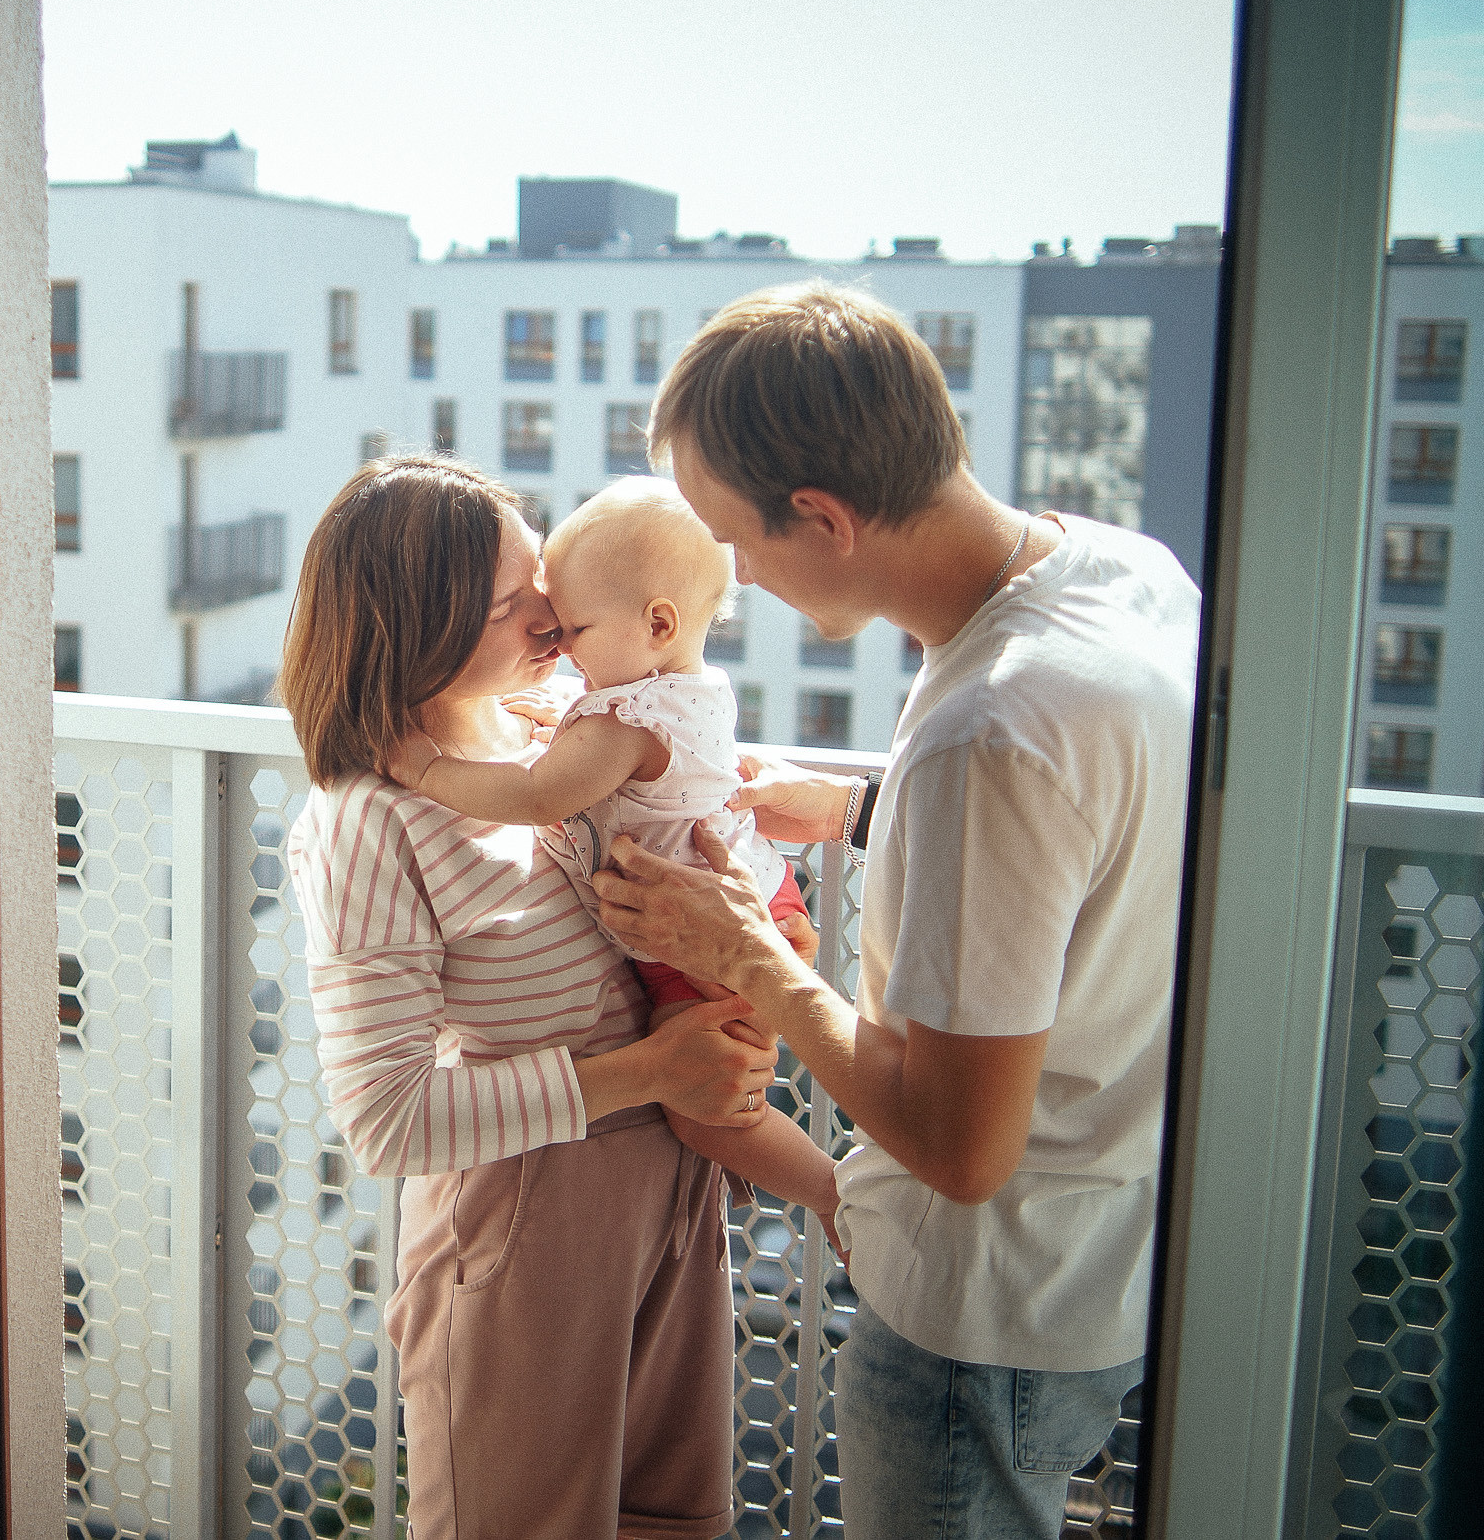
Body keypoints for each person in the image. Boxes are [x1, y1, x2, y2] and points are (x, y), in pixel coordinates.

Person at [590, 281, 1198, 1540]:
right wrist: (865, 811)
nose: (738, 581)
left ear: (824, 515)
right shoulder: (1126, 578)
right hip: (1107, 1270)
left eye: (738, 544)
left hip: (982, 1321)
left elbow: (958, 1151)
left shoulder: (989, 733)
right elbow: (1101, 840)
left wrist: (745, 954)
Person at [278, 454, 787, 1540]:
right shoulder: (369, 820)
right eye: (513, 607)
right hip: (526, 1228)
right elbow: (387, 1118)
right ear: (417, 625)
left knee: (671, 1520)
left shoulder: (555, 725)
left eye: (543, 589)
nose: (553, 622)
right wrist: (654, 1069)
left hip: (674, 1190)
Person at [384, 475, 837, 1224]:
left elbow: (539, 797)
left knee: (708, 1109)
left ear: (657, 623)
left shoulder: (622, 723)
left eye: (576, 629)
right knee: (721, 1087)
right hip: (759, 898)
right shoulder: (689, 689)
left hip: (708, 941)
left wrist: (431, 771)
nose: (557, 643)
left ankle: (832, 1194)